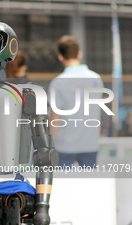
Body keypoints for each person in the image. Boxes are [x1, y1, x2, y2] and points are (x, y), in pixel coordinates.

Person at [48, 35, 104, 167]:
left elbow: (55, 117)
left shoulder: (58, 83)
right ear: (79, 54)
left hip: (64, 146)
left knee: (62, 186)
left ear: (60, 56)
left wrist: (50, 146)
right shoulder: (96, 79)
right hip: (90, 144)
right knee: (90, 186)